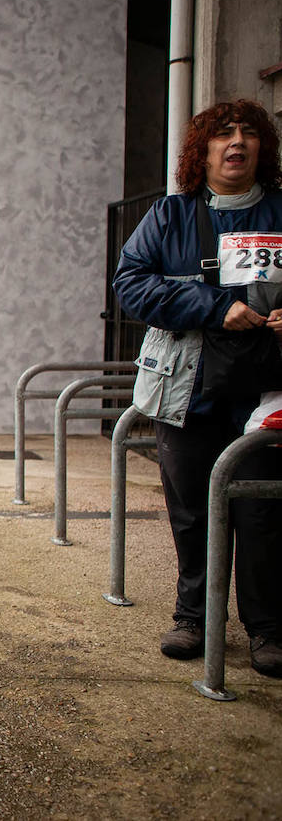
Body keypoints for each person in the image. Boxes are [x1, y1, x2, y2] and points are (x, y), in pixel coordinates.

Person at [113, 98, 282, 678]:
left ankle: (266, 629)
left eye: (249, 133)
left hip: (267, 392)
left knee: (263, 512)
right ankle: (193, 618)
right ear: (202, 150)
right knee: (191, 510)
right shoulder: (170, 215)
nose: (237, 142)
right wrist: (214, 306)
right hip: (187, 387)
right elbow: (130, 285)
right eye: (223, 134)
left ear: (263, 149)